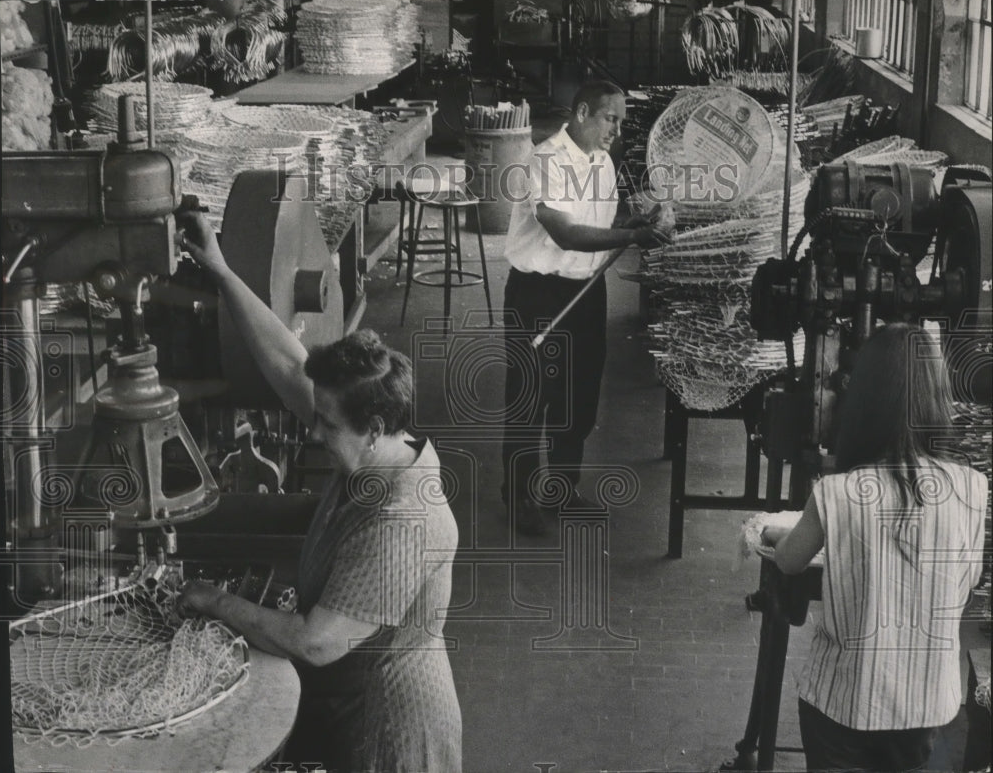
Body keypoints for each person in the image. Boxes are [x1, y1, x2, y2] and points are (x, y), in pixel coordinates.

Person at [176, 211, 462, 772]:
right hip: (346, 698)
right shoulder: (374, 443)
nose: (312, 433)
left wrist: (216, 601)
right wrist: (222, 272)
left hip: (389, 727)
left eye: (325, 425)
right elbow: (290, 364)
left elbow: (317, 642)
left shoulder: (403, 519)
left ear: (373, 428)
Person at [765, 323, 988, 773]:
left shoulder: (837, 493)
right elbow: (967, 581)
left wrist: (771, 533)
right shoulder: (971, 487)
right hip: (928, 706)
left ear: (862, 400)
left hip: (844, 703)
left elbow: (788, 561)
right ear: (937, 398)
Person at [500, 79, 671, 535]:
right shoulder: (546, 160)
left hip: (587, 290)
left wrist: (629, 222)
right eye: (610, 118)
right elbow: (566, 233)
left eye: (621, 122)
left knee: (578, 398)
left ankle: (561, 490)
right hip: (538, 292)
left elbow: (596, 223)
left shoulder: (602, 162)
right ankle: (519, 497)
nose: (617, 130)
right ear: (581, 113)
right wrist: (631, 236)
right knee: (530, 398)